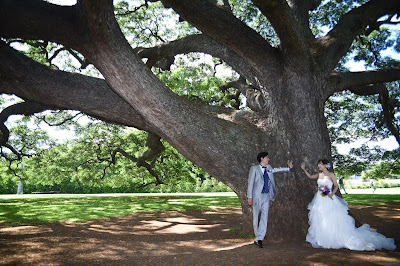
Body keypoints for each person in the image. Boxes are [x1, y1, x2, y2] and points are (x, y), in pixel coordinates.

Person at [301, 159, 396, 251]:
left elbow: (336, 185)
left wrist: (332, 194)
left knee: (332, 218)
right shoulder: (319, 175)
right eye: (318, 164)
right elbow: (310, 176)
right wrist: (304, 169)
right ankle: (323, 237)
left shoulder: (331, 175)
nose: (318, 166)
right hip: (320, 198)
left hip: (329, 198)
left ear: (325, 165)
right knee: (321, 218)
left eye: (320, 164)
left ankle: (334, 237)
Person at [247, 152, 293, 248]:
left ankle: (260, 238)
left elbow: (277, 170)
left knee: (264, 217)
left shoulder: (269, 167)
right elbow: (250, 184)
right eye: (267, 157)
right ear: (262, 158)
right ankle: (257, 236)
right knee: (256, 217)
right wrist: (249, 197)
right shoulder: (254, 169)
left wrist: (288, 168)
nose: (269, 159)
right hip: (257, 196)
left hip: (266, 196)